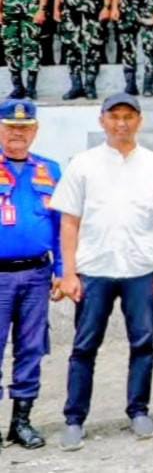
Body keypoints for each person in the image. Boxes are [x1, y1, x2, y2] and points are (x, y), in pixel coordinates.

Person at [52, 93, 153, 450]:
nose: (122, 123)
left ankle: (138, 410)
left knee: (143, 343)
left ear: (140, 121)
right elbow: (69, 222)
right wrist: (70, 273)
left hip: (141, 270)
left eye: (129, 116)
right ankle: (74, 418)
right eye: (115, 116)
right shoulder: (83, 164)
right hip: (94, 269)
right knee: (84, 346)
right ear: (102, 120)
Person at [0, 100, 59, 450]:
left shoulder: (50, 170)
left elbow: (61, 225)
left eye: (24, 128)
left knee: (31, 349)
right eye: (10, 127)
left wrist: (63, 271)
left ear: (35, 131)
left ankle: (21, 422)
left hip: (37, 274)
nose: (17, 133)